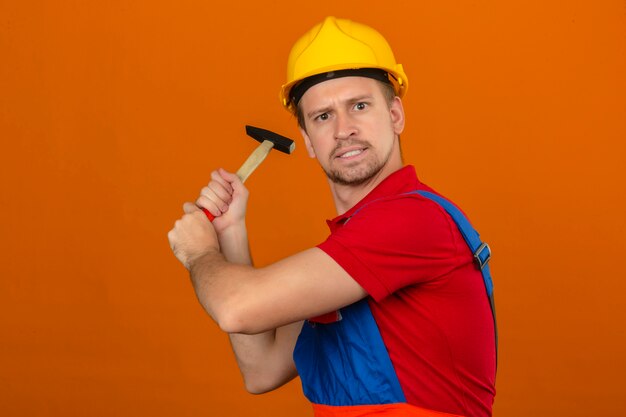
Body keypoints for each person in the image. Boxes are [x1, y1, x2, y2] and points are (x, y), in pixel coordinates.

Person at [168, 16, 496, 417]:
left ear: (395, 115)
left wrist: (199, 252)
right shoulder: (348, 257)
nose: (344, 130)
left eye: (359, 106)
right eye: (323, 116)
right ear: (307, 139)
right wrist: (230, 230)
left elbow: (236, 307)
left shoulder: (411, 220)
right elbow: (262, 370)